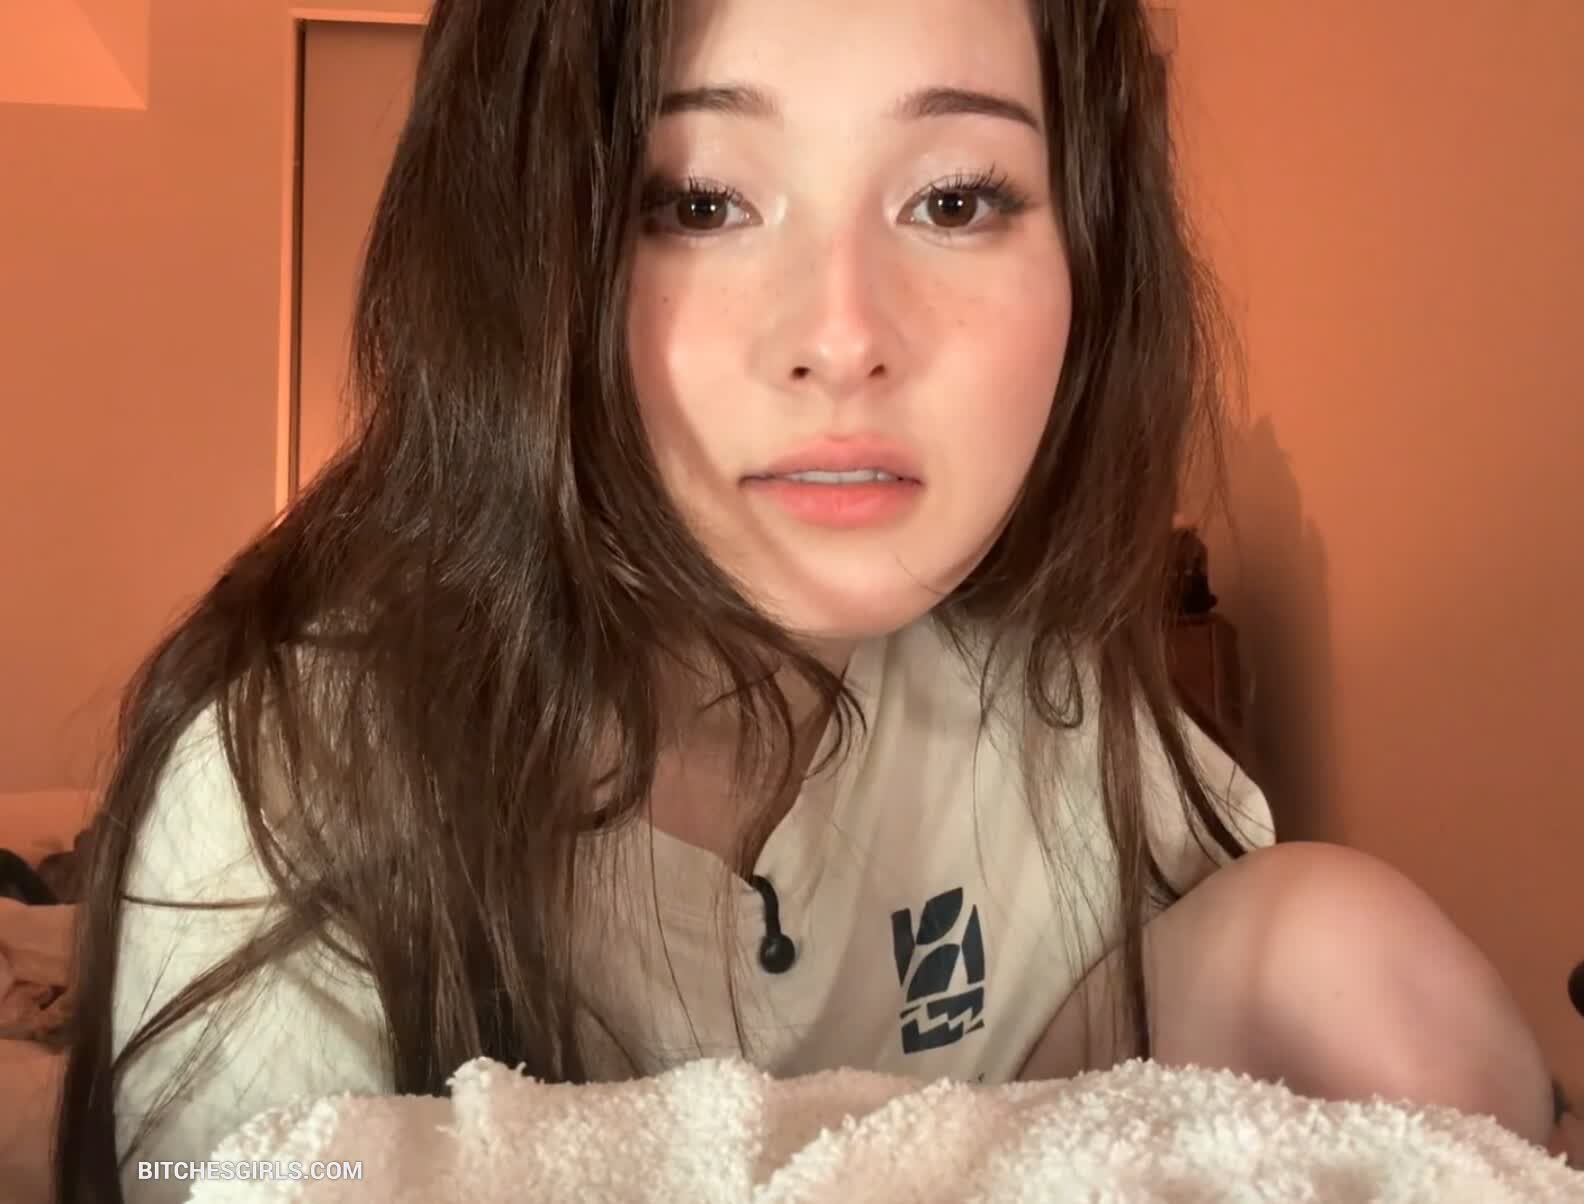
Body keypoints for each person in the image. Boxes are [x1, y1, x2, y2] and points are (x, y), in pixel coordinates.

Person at [53, 0, 1559, 1200]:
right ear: (514, 251)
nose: (844, 338)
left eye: (956, 198)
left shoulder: (1051, 707)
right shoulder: (294, 774)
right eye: (698, 200)